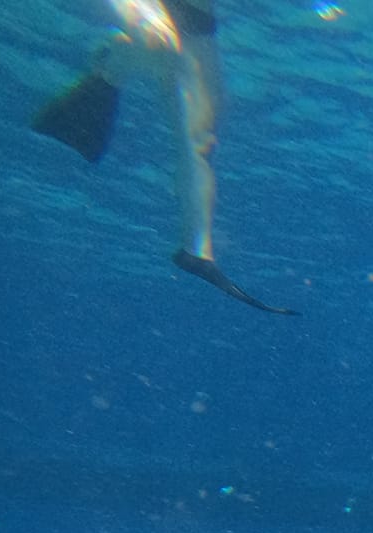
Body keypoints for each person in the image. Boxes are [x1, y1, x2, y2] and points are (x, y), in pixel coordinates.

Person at [32, 0, 298, 314]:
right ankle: (113, 65)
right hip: (171, 14)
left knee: (205, 128)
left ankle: (197, 250)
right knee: (161, 47)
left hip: (196, 21)